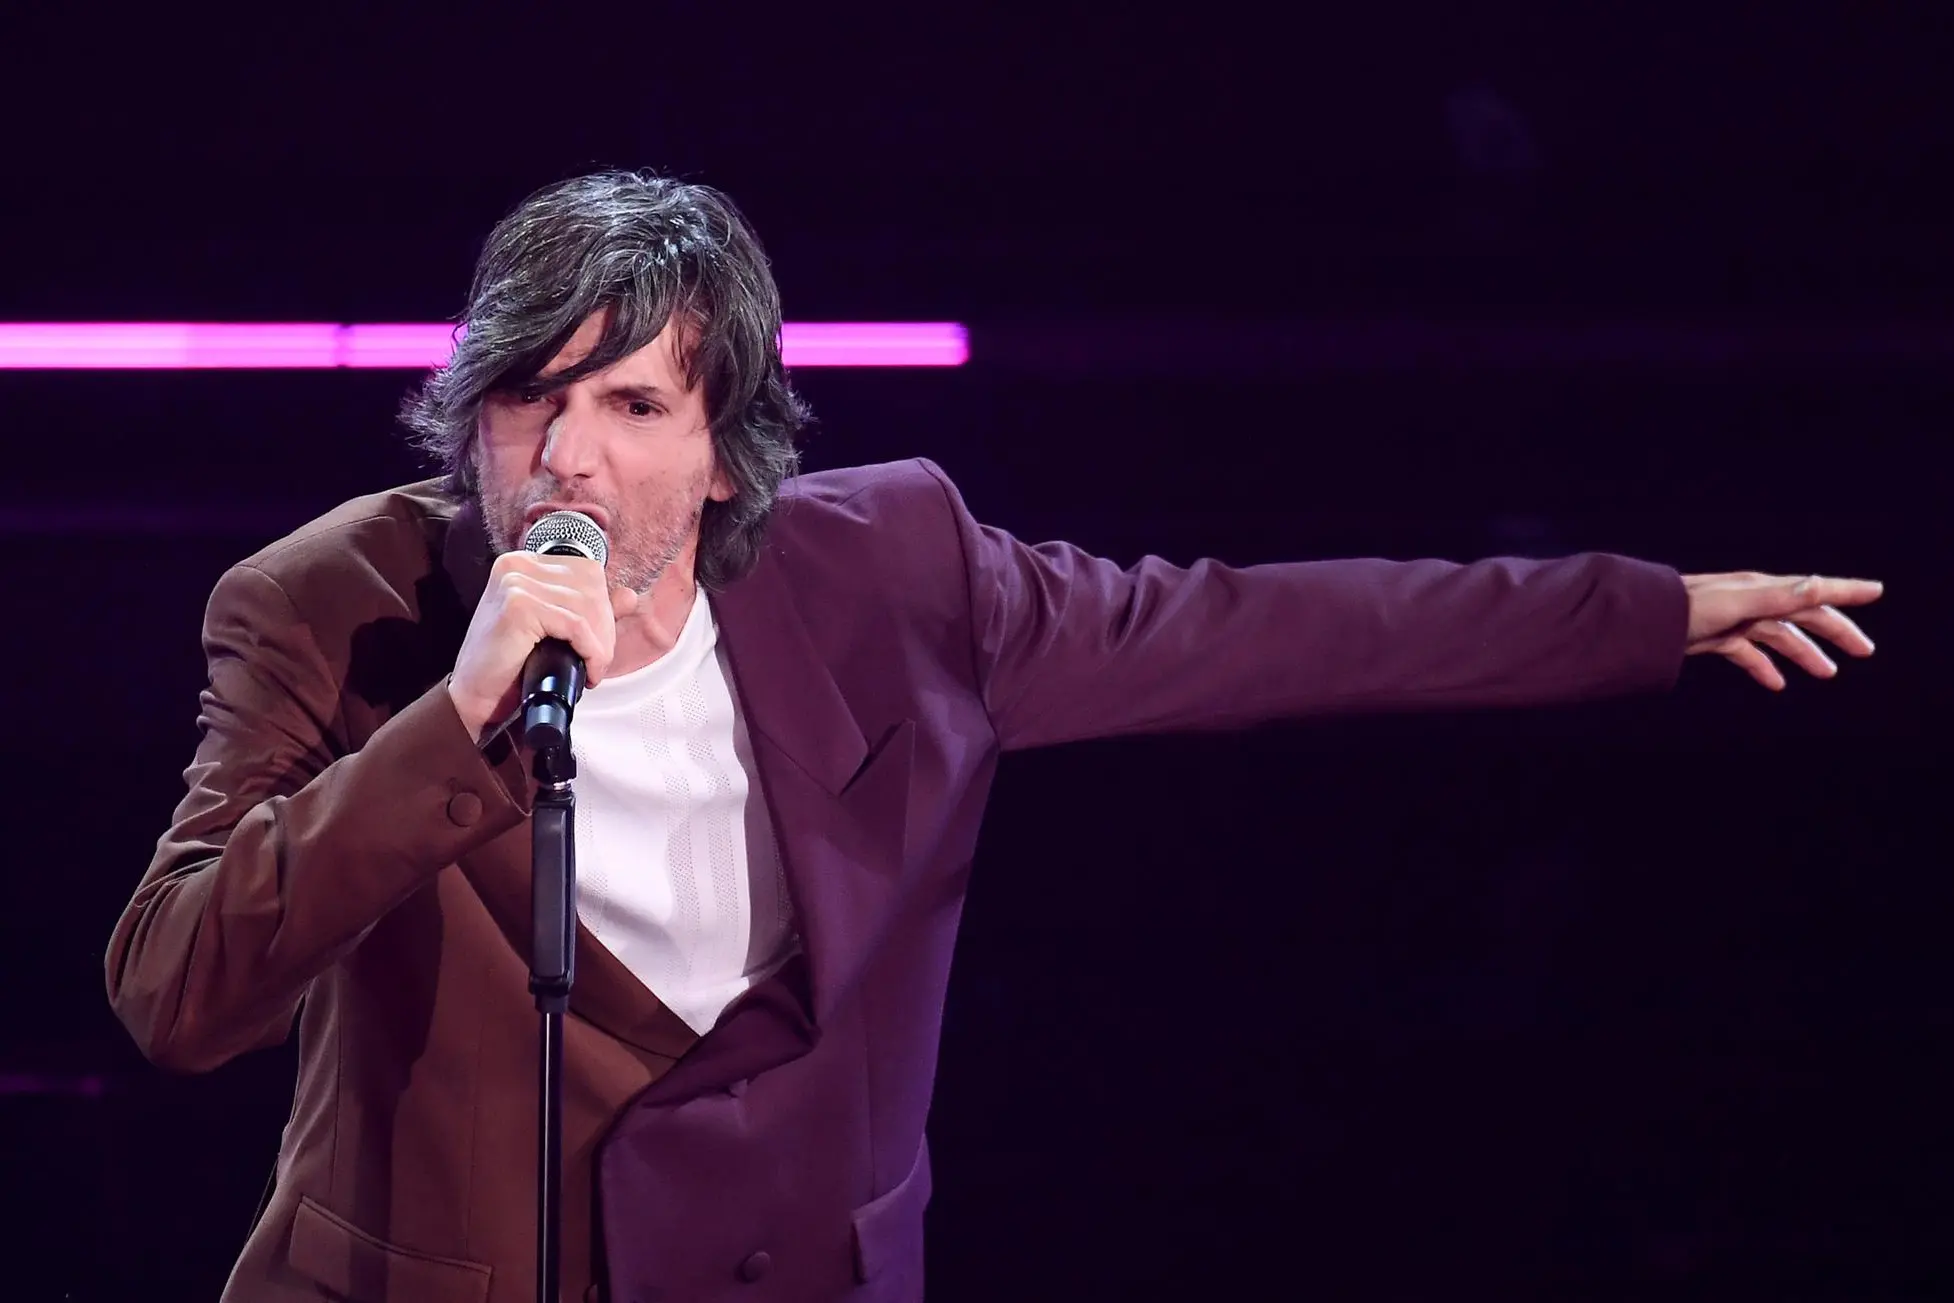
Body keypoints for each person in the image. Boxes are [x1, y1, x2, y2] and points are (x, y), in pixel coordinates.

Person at [104, 170, 1882, 1303]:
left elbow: (1259, 626)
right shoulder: (331, 605)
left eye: (633, 404)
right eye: (529, 401)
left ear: (726, 443)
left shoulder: (895, 577)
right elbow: (177, 990)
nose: (568, 457)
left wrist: (1634, 609)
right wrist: (456, 714)